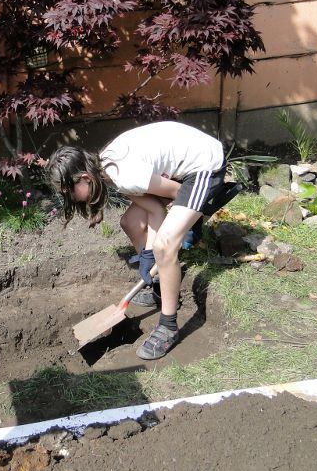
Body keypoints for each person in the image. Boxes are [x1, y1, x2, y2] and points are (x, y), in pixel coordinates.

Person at [46, 121, 225, 360]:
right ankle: (160, 286)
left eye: (68, 191)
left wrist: (177, 229)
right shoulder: (107, 168)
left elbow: (176, 193)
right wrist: (149, 254)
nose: (67, 197)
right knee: (130, 222)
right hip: (176, 171)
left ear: (85, 178)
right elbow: (154, 210)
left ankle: (169, 326)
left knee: (165, 246)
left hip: (204, 167)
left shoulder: (125, 175)